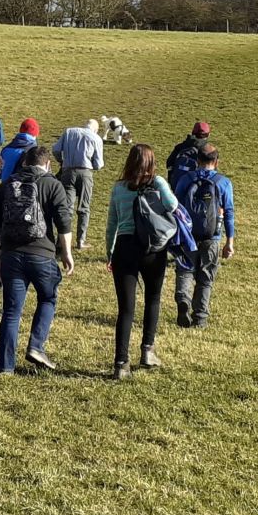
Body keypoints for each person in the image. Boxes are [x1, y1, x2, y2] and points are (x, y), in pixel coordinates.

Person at [0, 144, 73, 372]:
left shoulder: (8, 184)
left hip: (10, 254)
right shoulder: (52, 184)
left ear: (25, 162)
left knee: (11, 311)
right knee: (47, 298)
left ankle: (5, 366)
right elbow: (63, 222)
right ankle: (36, 346)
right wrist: (66, 252)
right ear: (47, 164)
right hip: (42, 253)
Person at [106, 143, 178, 380]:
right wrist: (157, 184)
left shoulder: (118, 188)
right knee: (153, 298)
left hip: (125, 247)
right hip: (152, 248)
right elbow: (172, 205)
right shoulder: (156, 182)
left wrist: (110, 253)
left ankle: (120, 363)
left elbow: (112, 225)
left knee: (125, 309)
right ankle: (147, 350)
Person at [173, 143, 236, 329]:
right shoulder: (223, 182)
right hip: (213, 236)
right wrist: (229, 241)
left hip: (188, 235)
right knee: (206, 277)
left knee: (185, 269)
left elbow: (174, 206)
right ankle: (200, 318)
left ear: (197, 160)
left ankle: (183, 297)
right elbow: (229, 212)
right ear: (216, 162)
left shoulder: (186, 179)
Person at [53, 116, 106, 253]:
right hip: (85, 173)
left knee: (67, 207)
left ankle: (61, 240)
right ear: (95, 129)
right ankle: (80, 241)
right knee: (84, 207)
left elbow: (56, 149)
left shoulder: (69, 132)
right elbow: (99, 164)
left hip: (67, 173)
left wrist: (62, 161)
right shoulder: (96, 138)